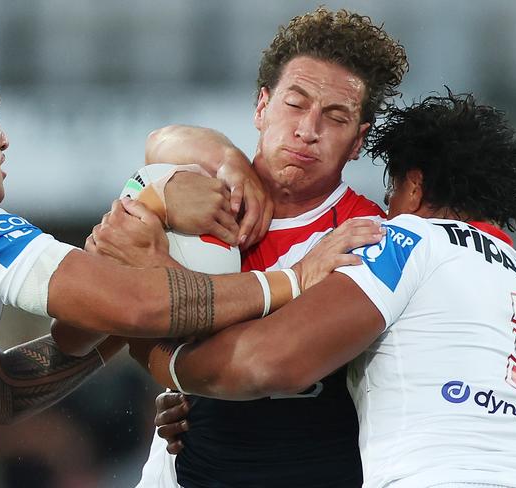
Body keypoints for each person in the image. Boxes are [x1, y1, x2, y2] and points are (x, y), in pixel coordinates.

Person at [0, 42, 353, 488]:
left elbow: (2, 393)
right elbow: (137, 306)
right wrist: (293, 280)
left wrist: (144, 227)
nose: (3, 136)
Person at [107, 92, 516, 487]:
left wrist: (161, 352)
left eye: (392, 193)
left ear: (415, 189)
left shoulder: (406, 240)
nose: (388, 209)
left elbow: (267, 362)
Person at [59, 6, 407, 487]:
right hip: (181, 471)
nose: (308, 130)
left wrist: (161, 298)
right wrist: (209, 165)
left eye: (335, 117)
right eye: (294, 103)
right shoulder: (194, 191)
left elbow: (266, 362)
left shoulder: (366, 233)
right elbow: (74, 336)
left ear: (357, 141)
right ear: (261, 106)